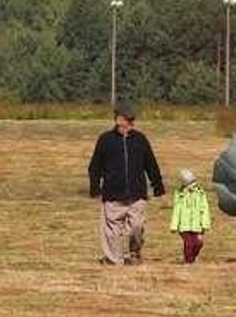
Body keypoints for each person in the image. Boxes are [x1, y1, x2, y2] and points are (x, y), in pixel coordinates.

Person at [88, 101, 165, 265]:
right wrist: (95, 187)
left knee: (137, 227)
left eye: (132, 120)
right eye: (128, 120)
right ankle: (113, 259)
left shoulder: (140, 139)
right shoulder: (105, 140)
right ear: (118, 120)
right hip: (112, 195)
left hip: (136, 195)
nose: (131, 123)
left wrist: (157, 185)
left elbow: (150, 163)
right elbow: (95, 166)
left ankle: (134, 255)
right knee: (111, 232)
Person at [170, 168, 212, 263]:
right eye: (190, 183)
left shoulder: (200, 194)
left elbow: (204, 210)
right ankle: (188, 262)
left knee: (198, 244)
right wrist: (174, 225)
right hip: (183, 226)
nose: (193, 185)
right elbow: (177, 211)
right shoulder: (180, 195)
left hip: (196, 225)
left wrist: (205, 225)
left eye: (194, 182)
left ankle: (191, 258)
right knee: (189, 244)